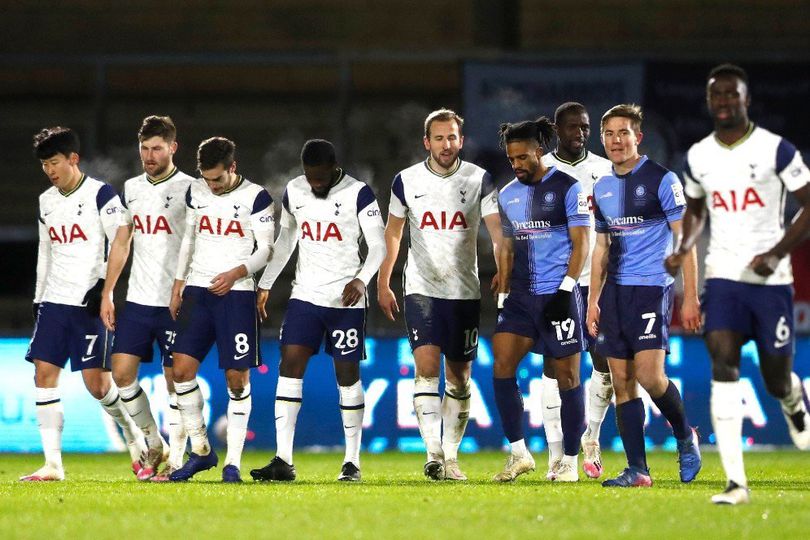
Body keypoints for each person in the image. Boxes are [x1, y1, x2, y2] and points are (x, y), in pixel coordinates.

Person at [666, 64, 810, 505]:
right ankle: (735, 483)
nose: (725, 102)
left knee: (775, 379)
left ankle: (794, 403)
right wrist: (683, 244)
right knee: (723, 361)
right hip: (723, 276)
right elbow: (694, 211)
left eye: (733, 95)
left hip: (771, 282)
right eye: (717, 95)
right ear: (709, 103)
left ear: (747, 100)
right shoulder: (697, 157)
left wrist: (777, 253)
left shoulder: (776, 150)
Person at [249, 139, 386, 483]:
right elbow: (286, 240)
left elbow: (379, 245)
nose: (316, 183)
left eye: (321, 177)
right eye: (311, 177)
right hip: (305, 296)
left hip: (345, 301)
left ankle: (352, 461)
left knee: (347, 375)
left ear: (334, 167)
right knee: (289, 363)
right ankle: (283, 459)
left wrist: (361, 280)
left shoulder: (359, 194)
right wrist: (265, 282)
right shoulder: (295, 190)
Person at [377, 108, 502, 481]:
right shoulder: (406, 180)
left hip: (464, 291)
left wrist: (503, 264)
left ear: (461, 141)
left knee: (460, 378)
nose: (446, 145)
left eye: (452, 138)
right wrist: (385, 280)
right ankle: (433, 453)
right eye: (439, 138)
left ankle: (450, 456)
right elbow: (394, 233)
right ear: (426, 142)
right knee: (426, 368)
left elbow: (496, 230)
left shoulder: (479, 179)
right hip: (422, 288)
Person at [587, 104, 702, 488]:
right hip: (615, 293)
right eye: (609, 134)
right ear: (601, 140)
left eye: (624, 133)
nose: (616, 141)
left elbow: (686, 239)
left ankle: (686, 435)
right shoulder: (601, 187)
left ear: (639, 136)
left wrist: (690, 297)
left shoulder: (661, 180)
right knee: (621, 381)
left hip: (652, 288)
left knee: (651, 377)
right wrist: (593, 299)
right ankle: (638, 470)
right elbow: (601, 248)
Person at [22, 127, 145, 481]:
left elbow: (122, 239)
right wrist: (37, 297)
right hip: (54, 302)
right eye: (45, 164)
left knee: (99, 386)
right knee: (43, 376)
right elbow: (46, 252)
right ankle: (53, 464)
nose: (50, 170)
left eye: (55, 162)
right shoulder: (46, 201)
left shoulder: (100, 194)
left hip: (87, 304)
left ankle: (136, 440)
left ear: (73, 159)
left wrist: (106, 289)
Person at [167, 137, 274, 482]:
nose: (211, 186)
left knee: (237, 380)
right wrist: (178, 282)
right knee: (181, 372)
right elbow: (189, 238)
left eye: (217, 179)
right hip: (198, 290)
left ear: (232, 167)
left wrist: (236, 273)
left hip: (237, 294)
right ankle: (201, 451)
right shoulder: (196, 192)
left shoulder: (256, 197)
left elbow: (266, 250)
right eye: (206, 178)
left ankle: (233, 463)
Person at [492, 117, 590, 483]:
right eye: (510, 159)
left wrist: (567, 290)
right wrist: (503, 296)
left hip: (559, 294)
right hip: (520, 296)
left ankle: (568, 461)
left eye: (521, 157)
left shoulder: (567, 187)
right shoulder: (506, 195)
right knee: (502, 364)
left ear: (540, 151)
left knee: (567, 376)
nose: (515, 165)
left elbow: (582, 244)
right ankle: (519, 453)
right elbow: (507, 249)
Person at [100, 116, 194, 481]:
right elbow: (122, 242)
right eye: (144, 148)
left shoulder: (190, 189)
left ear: (173, 147)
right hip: (138, 299)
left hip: (175, 301)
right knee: (122, 375)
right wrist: (109, 291)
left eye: (156, 148)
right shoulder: (132, 188)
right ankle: (154, 443)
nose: (149, 155)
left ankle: (177, 459)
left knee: (176, 382)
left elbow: (199, 241)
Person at [540, 102, 614, 480]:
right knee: (555, 368)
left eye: (585, 127)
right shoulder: (542, 170)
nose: (580, 134)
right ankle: (557, 454)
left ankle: (592, 439)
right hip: (557, 283)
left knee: (604, 363)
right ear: (556, 129)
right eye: (572, 127)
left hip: (599, 280)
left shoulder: (604, 169)